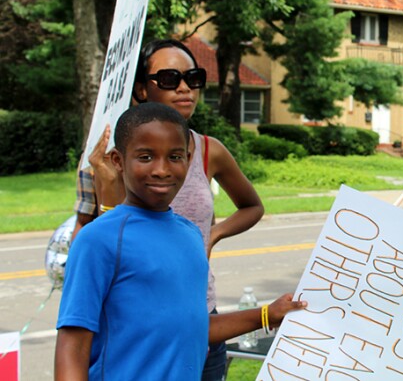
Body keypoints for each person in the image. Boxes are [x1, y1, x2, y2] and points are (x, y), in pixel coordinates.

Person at [55, 103, 305, 380]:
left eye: (174, 157)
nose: (162, 170)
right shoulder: (98, 240)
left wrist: (267, 314)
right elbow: (73, 344)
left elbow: (195, 327)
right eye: (146, 157)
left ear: (188, 159)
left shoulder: (190, 235)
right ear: (117, 161)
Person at [72, 38, 264, 380]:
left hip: (198, 318)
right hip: (133, 330)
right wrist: (107, 186)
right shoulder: (103, 159)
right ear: (142, 89)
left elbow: (252, 206)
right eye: (169, 78)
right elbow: (97, 243)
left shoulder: (207, 155)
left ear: (187, 159)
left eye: (193, 78)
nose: (184, 88)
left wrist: (211, 235)